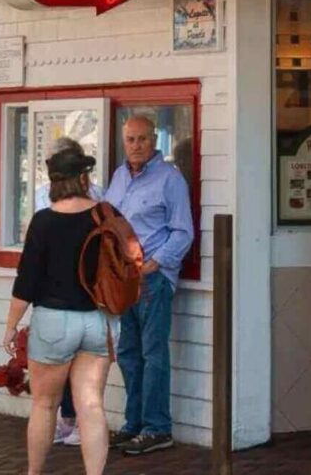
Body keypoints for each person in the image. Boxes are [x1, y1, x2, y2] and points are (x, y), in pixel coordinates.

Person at [3, 146, 118, 475]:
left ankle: (34, 473)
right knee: (91, 406)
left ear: (53, 182)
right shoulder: (106, 214)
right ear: (83, 178)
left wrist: (10, 326)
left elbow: (27, 282)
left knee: (44, 405)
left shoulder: (44, 221)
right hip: (98, 320)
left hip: (53, 321)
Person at [105, 115, 193, 456]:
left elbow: (183, 231)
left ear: (154, 140)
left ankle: (157, 428)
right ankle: (135, 424)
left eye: (142, 139)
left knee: (153, 353)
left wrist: (155, 263)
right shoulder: (119, 176)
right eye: (131, 139)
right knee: (128, 353)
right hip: (123, 279)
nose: (136, 145)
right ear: (124, 141)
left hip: (153, 279)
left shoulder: (170, 179)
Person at [33, 136, 105, 448]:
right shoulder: (101, 204)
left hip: (58, 301)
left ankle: (68, 422)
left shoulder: (46, 204)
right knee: (88, 392)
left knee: (47, 396)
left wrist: (12, 323)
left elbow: (35, 258)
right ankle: (71, 420)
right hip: (92, 303)